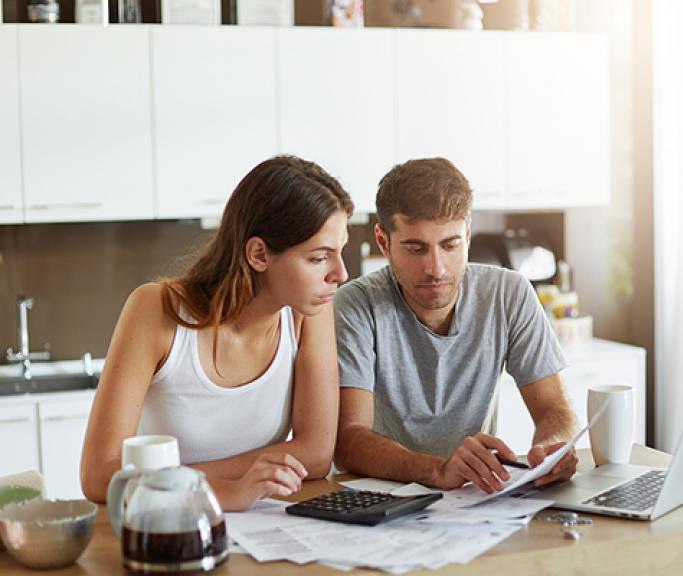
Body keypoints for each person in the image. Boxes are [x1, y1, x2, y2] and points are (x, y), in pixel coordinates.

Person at [81, 155, 353, 511]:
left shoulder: (309, 310)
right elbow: (100, 475)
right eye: (319, 258)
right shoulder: (156, 310)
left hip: (262, 525)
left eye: (340, 252)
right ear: (258, 254)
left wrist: (171, 479)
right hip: (167, 528)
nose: (341, 273)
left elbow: (315, 454)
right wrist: (217, 491)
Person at [334, 157, 578, 493]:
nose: (436, 268)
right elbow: (348, 441)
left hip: (471, 498)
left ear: (467, 234)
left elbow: (554, 410)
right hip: (381, 497)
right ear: (383, 241)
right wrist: (436, 470)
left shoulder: (508, 293)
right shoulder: (355, 305)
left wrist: (554, 448)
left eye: (450, 245)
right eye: (416, 248)